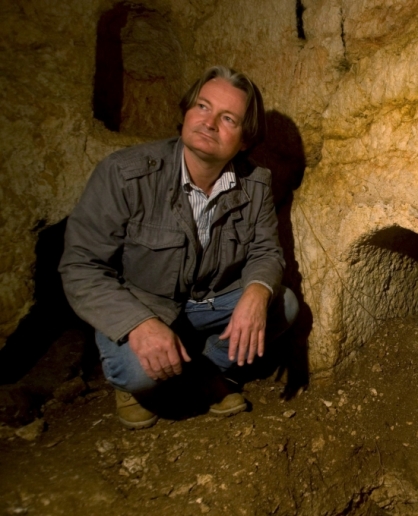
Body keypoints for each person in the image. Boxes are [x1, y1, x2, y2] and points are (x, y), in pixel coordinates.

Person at [59, 66, 298, 429]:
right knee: (138, 373)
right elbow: (80, 266)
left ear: (246, 139)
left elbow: (265, 251)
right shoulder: (125, 174)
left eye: (228, 118)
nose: (209, 122)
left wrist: (256, 291)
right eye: (202, 107)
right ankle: (134, 385)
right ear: (186, 112)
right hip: (145, 304)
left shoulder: (255, 184)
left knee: (284, 304)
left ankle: (207, 370)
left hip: (211, 301)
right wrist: (138, 324)